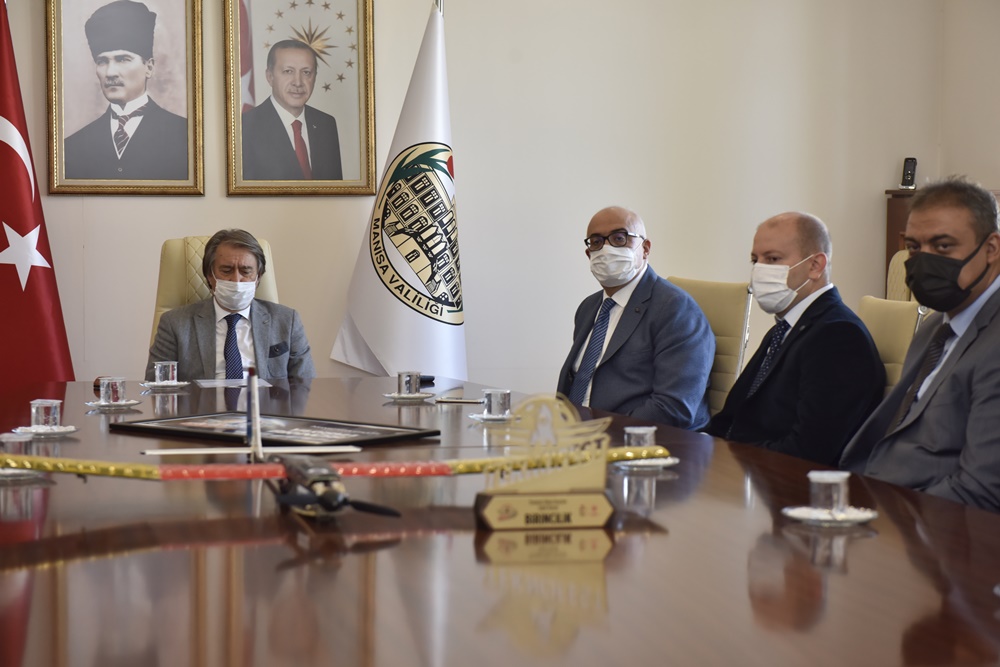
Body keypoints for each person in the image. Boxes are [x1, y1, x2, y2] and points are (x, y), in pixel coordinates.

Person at [841, 177, 1000, 511]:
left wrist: (885, 518)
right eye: (914, 248)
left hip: (931, 525)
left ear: (991, 249)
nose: (924, 261)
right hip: (869, 496)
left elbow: (982, 489)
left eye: (942, 247)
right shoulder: (933, 328)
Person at [705, 212, 883, 466]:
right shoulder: (786, 326)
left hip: (784, 480)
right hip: (744, 468)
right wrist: (698, 448)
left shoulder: (839, 335)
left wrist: (731, 460)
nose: (758, 270)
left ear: (815, 266)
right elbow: (733, 418)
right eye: (755, 260)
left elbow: (808, 450)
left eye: (773, 259)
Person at [556, 206, 714, 429]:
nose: (606, 249)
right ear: (589, 254)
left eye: (619, 238)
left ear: (645, 248)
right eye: (596, 242)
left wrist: (601, 435)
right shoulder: (588, 307)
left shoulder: (676, 308)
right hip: (575, 436)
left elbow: (674, 407)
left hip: (641, 441)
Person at [145, 229, 316, 382]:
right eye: (226, 271)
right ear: (209, 275)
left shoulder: (287, 320)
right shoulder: (174, 323)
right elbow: (157, 386)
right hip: (201, 407)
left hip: (264, 406)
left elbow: (305, 386)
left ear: (258, 277)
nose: (236, 280)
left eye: (246, 271)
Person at [64, 0, 188, 180]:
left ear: (149, 67)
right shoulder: (73, 146)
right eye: (102, 61)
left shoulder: (185, 136)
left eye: (123, 59)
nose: (110, 73)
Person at [241, 40, 343, 181]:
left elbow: (335, 191)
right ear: (270, 77)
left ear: (314, 77)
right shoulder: (245, 128)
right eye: (288, 71)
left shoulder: (326, 124)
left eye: (306, 72)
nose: (298, 82)